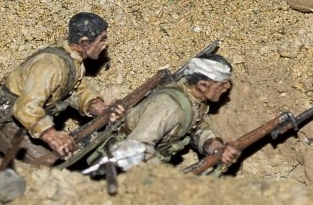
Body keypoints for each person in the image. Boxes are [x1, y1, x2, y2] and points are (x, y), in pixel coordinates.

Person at [0, 12, 119, 164]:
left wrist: (98, 107)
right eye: (102, 39)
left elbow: (75, 89)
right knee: (47, 165)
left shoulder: (72, 62)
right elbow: (25, 107)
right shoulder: (50, 67)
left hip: (23, 121)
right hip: (11, 121)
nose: (105, 44)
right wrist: (52, 136)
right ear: (84, 42)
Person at [91, 54, 240, 172]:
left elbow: (197, 128)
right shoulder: (169, 107)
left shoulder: (195, 101)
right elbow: (137, 147)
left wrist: (217, 149)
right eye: (222, 83)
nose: (227, 87)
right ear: (202, 85)